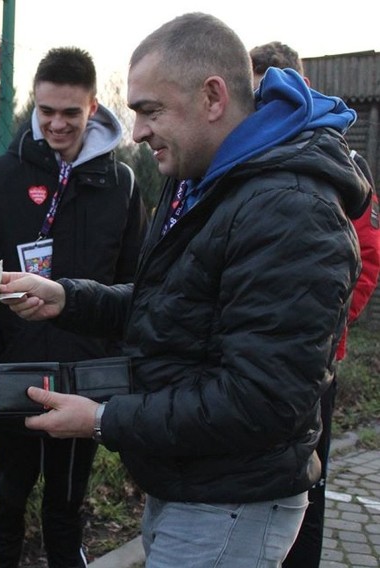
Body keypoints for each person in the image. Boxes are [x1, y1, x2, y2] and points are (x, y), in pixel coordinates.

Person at [0, 12, 372, 567]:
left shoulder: (289, 210)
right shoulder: (202, 177)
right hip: (194, 484)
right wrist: (68, 298)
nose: (138, 131)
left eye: (150, 111)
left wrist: (102, 418)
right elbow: (170, 306)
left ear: (213, 97)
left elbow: (260, 401)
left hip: (230, 501)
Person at [0, 46, 148, 568]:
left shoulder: (124, 184)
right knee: (4, 511)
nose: (57, 124)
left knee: (66, 513)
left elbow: (136, 284)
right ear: (34, 106)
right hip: (14, 377)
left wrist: (109, 357)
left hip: (84, 381)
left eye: (70, 112)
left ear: (93, 106)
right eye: (46, 112)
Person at [250, 40, 380, 568]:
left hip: (314, 362)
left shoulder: (341, 163)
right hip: (251, 358)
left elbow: (366, 259)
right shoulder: (245, 154)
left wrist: (315, 329)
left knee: (309, 480)